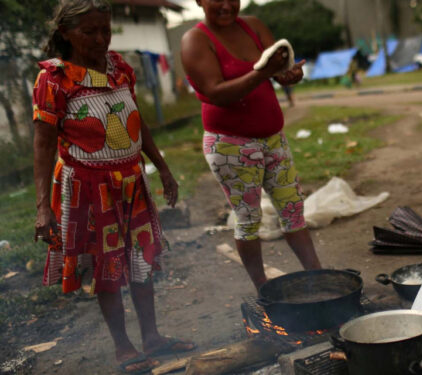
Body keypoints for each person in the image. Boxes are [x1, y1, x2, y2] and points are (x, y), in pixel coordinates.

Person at [33, 1, 195, 373]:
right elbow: (42, 145)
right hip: (89, 189)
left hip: (132, 182)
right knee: (107, 268)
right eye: (89, 32)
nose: (100, 39)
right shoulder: (54, 80)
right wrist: (43, 207)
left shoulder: (120, 67)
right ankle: (123, 346)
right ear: (65, 34)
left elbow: (135, 120)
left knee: (141, 261)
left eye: (105, 30)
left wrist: (163, 168)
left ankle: (152, 337)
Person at [180, 0, 321, 291]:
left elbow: (280, 71)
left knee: (293, 210)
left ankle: (319, 277)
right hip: (231, 146)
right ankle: (263, 287)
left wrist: (290, 75)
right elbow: (215, 92)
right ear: (199, 1)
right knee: (248, 219)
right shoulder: (195, 40)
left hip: (273, 139)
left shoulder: (254, 26)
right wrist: (261, 73)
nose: (225, 4)